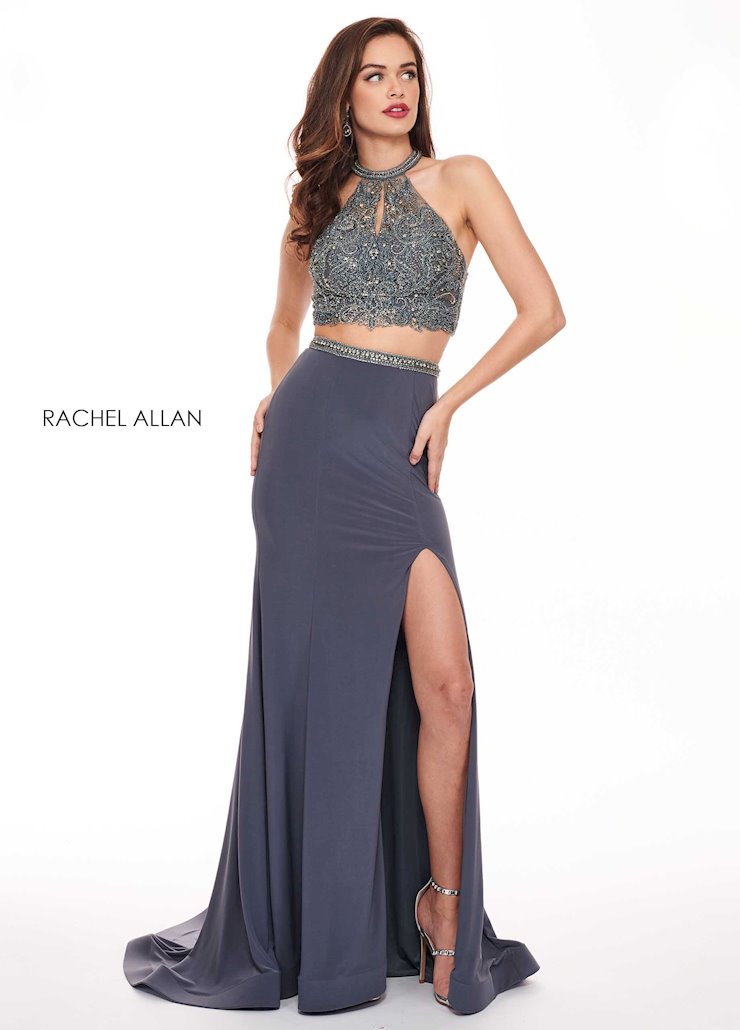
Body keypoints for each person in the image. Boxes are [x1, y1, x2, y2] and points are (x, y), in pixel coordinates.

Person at [123, 16, 565, 1016]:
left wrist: (448, 404)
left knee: (446, 686)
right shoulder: (312, 201)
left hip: (399, 449)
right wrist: (278, 397)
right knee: (319, 695)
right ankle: (319, 933)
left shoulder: (462, 179)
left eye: (407, 72)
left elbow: (542, 310)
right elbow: (283, 325)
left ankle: (441, 903)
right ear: (344, 92)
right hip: (308, 453)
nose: (395, 88)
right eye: (373, 75)